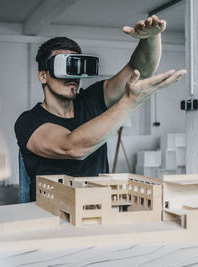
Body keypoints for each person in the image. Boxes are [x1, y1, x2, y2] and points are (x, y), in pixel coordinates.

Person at [15, 15, 187, 202]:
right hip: (50, 216)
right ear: (43, 76)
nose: (72, 75)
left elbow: (139, 69)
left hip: (95, 210)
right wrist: (130, 102)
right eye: (65, 66)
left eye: (76, 66)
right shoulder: (29, 121)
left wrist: (150, 38)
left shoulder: (93, 99)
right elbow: (72, 147)